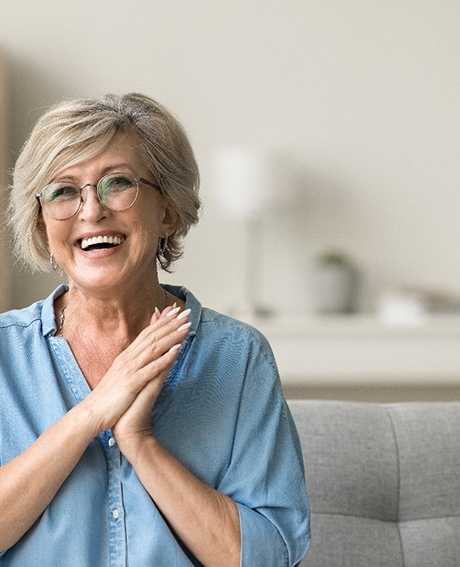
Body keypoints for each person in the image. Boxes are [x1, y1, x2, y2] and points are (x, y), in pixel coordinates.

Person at [0, 93, 310, 566]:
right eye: (63, 191)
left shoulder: (237, 358)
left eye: (116, 184)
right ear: (42, 226)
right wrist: (90, 416)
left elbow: (267, 558)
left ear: (168, 210)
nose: (91, 211)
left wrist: (139, 441)